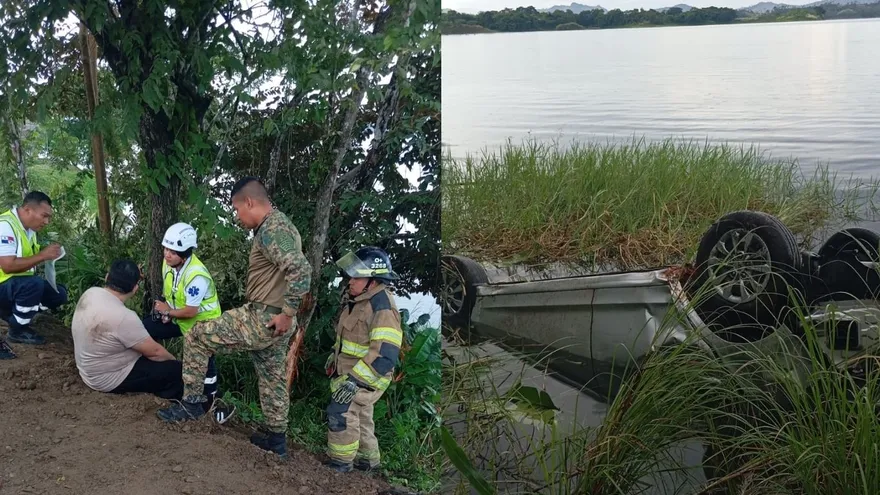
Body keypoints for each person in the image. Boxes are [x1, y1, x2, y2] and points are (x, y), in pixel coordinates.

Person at [157, 176, 311, 460]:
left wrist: (288, 313)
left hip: (265, 317)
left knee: (197, 335)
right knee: (272, 376)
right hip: (274, 322)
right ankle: (276, 438)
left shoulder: (271, 229)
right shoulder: (281, 225)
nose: (237, 217)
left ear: (249, 202)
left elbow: (301, 269)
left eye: (237, 210)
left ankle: (192, 405)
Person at [71, 259, 234, 422]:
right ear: (135, 288)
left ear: (107, 277)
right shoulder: (123, 317)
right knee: (179, 373)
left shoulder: (91, 293)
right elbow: (156, 353)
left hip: (89, 367)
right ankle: (209, 411)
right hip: (108, 377)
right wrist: (177, 367)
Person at [324, 246, 403, 473]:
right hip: (353, 370)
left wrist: (354, 382)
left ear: (373, 280)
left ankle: (340, 465)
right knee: (362, 416)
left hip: (368, 375)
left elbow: (384, 354)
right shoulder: (359, 300)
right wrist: (334, 356)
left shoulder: (382, 307)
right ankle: (368, 463)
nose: (350, 281)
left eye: (356, 276)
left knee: (341, 411)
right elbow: (351, 339)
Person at [144, 222, 222, 408]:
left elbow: (190, 311)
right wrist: (167, 310)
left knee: (206, 366)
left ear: (186, 253)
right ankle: (150, 372)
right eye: (166, 248)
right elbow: (171, 291)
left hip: (203, 324)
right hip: (179, 318)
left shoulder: (197, 276)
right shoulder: (168, 264)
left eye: (173, 251)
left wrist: (168, 312)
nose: (167, 254)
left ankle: (211, 401)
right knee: (145, 328)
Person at [0, 191, 68, 347]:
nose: (46, 221)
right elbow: (8, 266)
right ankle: (17, 330)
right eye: (44, 216)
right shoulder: (5, 226)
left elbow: (26, 261)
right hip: (5, 285)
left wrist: (49, 255)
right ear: (27, 210)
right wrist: (43, 255)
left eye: (48, 217)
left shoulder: (29, 230)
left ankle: (14, 314)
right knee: (34, 284)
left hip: (14, 287)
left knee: (59, 294)